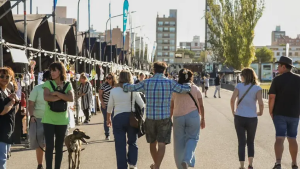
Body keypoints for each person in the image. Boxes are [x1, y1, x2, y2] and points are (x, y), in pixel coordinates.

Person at [123, 61, 191, 169]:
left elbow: (130, 88)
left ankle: (156, 166)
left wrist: (123, 84)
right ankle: (156, 166)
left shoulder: (147, 82)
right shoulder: (170, 83)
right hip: (164, 118)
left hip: (150, 118)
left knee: (152, 143)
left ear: (153, 70)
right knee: (162, 144)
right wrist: (188, 83)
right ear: (164, 71)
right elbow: (185, 89)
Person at [106, 70, 144, 169]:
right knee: (132, 142)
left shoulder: (114, 90)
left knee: (120, 145)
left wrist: (108, 118)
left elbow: (109, 106)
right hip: (131, 118)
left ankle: (122, 167)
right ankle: (132, 164)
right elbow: (142, 104)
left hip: (118, 118)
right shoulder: (133, 89)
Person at [269, 56, 300, 169]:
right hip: (294, 114)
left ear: (283, 66)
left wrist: (271, 111)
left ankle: (278, 163)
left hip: (280, 113)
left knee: (279, 138)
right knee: (292, 138)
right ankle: (294, 163)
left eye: (279, 66)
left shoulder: (277, 80)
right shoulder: (298, 79)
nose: (277, 68)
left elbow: (272, 97)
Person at [171, 69, 205, 169]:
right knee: (193, 138)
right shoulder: (195, 89)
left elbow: (171, 106)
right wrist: (203, 118)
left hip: (178, 117)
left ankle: (180, 166)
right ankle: (187, 159)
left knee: (178, 143)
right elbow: (201, 106)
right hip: (193, 116)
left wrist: (169, 119)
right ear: (191, 77)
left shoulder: (175, 89)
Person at [230, 68, 264, 169]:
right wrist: (260, 113)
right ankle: (250, 164)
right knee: (250, 142)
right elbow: (261, 103)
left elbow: (232, 100)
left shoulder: (239, 86)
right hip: (252, 118)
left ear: (244, 76)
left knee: (241, 142)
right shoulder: (257, 88)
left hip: (239, 117)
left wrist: (233, 112)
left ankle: (241, 166)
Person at [43, 62, 74, 169]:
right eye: (51, 71)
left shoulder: (67, 84)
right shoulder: (48, 83)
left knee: (59, 146)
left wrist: (56, 94)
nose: (52, 73)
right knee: (49, 146)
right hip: (48, 120)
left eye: (54, 70)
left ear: (60, 71)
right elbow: (47, 97)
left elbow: (71, 98)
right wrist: (63, 96)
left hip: (62, 120)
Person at [28, 70, 51, 169]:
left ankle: (49, 165)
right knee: (40, 144)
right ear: (45, 79)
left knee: (49, 144)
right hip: (38, 119)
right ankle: (40, 164)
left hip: (52, 119)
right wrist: (32, 115)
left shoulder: (57, 89)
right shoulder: (37, 89)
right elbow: (31, 104)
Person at [0, 67, 19, 169]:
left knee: (5, 157)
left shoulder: (8, 91)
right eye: (1, 76)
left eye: (7, 76)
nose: (4, 78)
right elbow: (2, 111)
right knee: (1, 159)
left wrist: (16, 102)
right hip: (1, 131)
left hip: (9, 130)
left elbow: (14, 111)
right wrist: (12, 101)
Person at [99, 73, 116, 140]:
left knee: (114, 120)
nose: (108, 79)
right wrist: (102, 103)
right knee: (106, 119)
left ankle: (115, 135)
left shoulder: (116, 85)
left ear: (113, 78)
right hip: (105, 105)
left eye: (109, 78)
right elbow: (100, 95)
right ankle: (107, 134)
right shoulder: (103, 85)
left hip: (114, 106)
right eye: (107, 78)